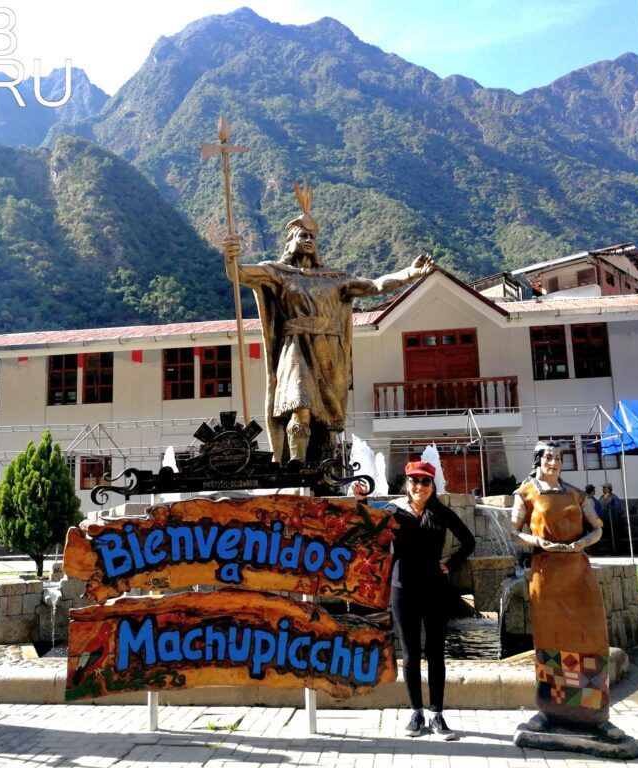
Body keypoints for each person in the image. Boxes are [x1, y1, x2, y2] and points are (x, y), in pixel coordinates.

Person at [222, 183, 434, 465]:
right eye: (302, 235)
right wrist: (230, 255)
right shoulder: (279, 273)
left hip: (329, 351)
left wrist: (409, 273)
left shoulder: (335, 278)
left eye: (312, 236)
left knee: (327, 423)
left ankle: (322, 475)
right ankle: (295, 470)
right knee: (300, 407)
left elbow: (374, 285)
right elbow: (241, 274)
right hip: (295, 347)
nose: (308, 239)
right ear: (291, 241)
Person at [510, 441, 624, 740]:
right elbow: (514, 531)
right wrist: (538, 542)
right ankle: (550, 710)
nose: (554, 462)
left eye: (559, 457)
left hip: (578, 571)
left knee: (591, 636)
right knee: (551, 639)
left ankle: (595, 713)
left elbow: (596, 529)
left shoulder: (576, 493)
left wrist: (582, 544)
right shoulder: (525, 494)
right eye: (549, 457)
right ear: (538, 460)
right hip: (546, 572)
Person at [356, 461, 474, 740]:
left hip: (435, 589)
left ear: (433, 485)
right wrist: (361, 500)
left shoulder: (441, 512)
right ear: (407, 484)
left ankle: (437, 714)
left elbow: (468, 542)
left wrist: (450, 563)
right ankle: (416, 713)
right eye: (414, 481)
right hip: (402, 588)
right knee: (409, 655)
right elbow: (368, 527)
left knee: (435, 653)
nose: (419, 486)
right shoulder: (393, 511)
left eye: (425, 481)